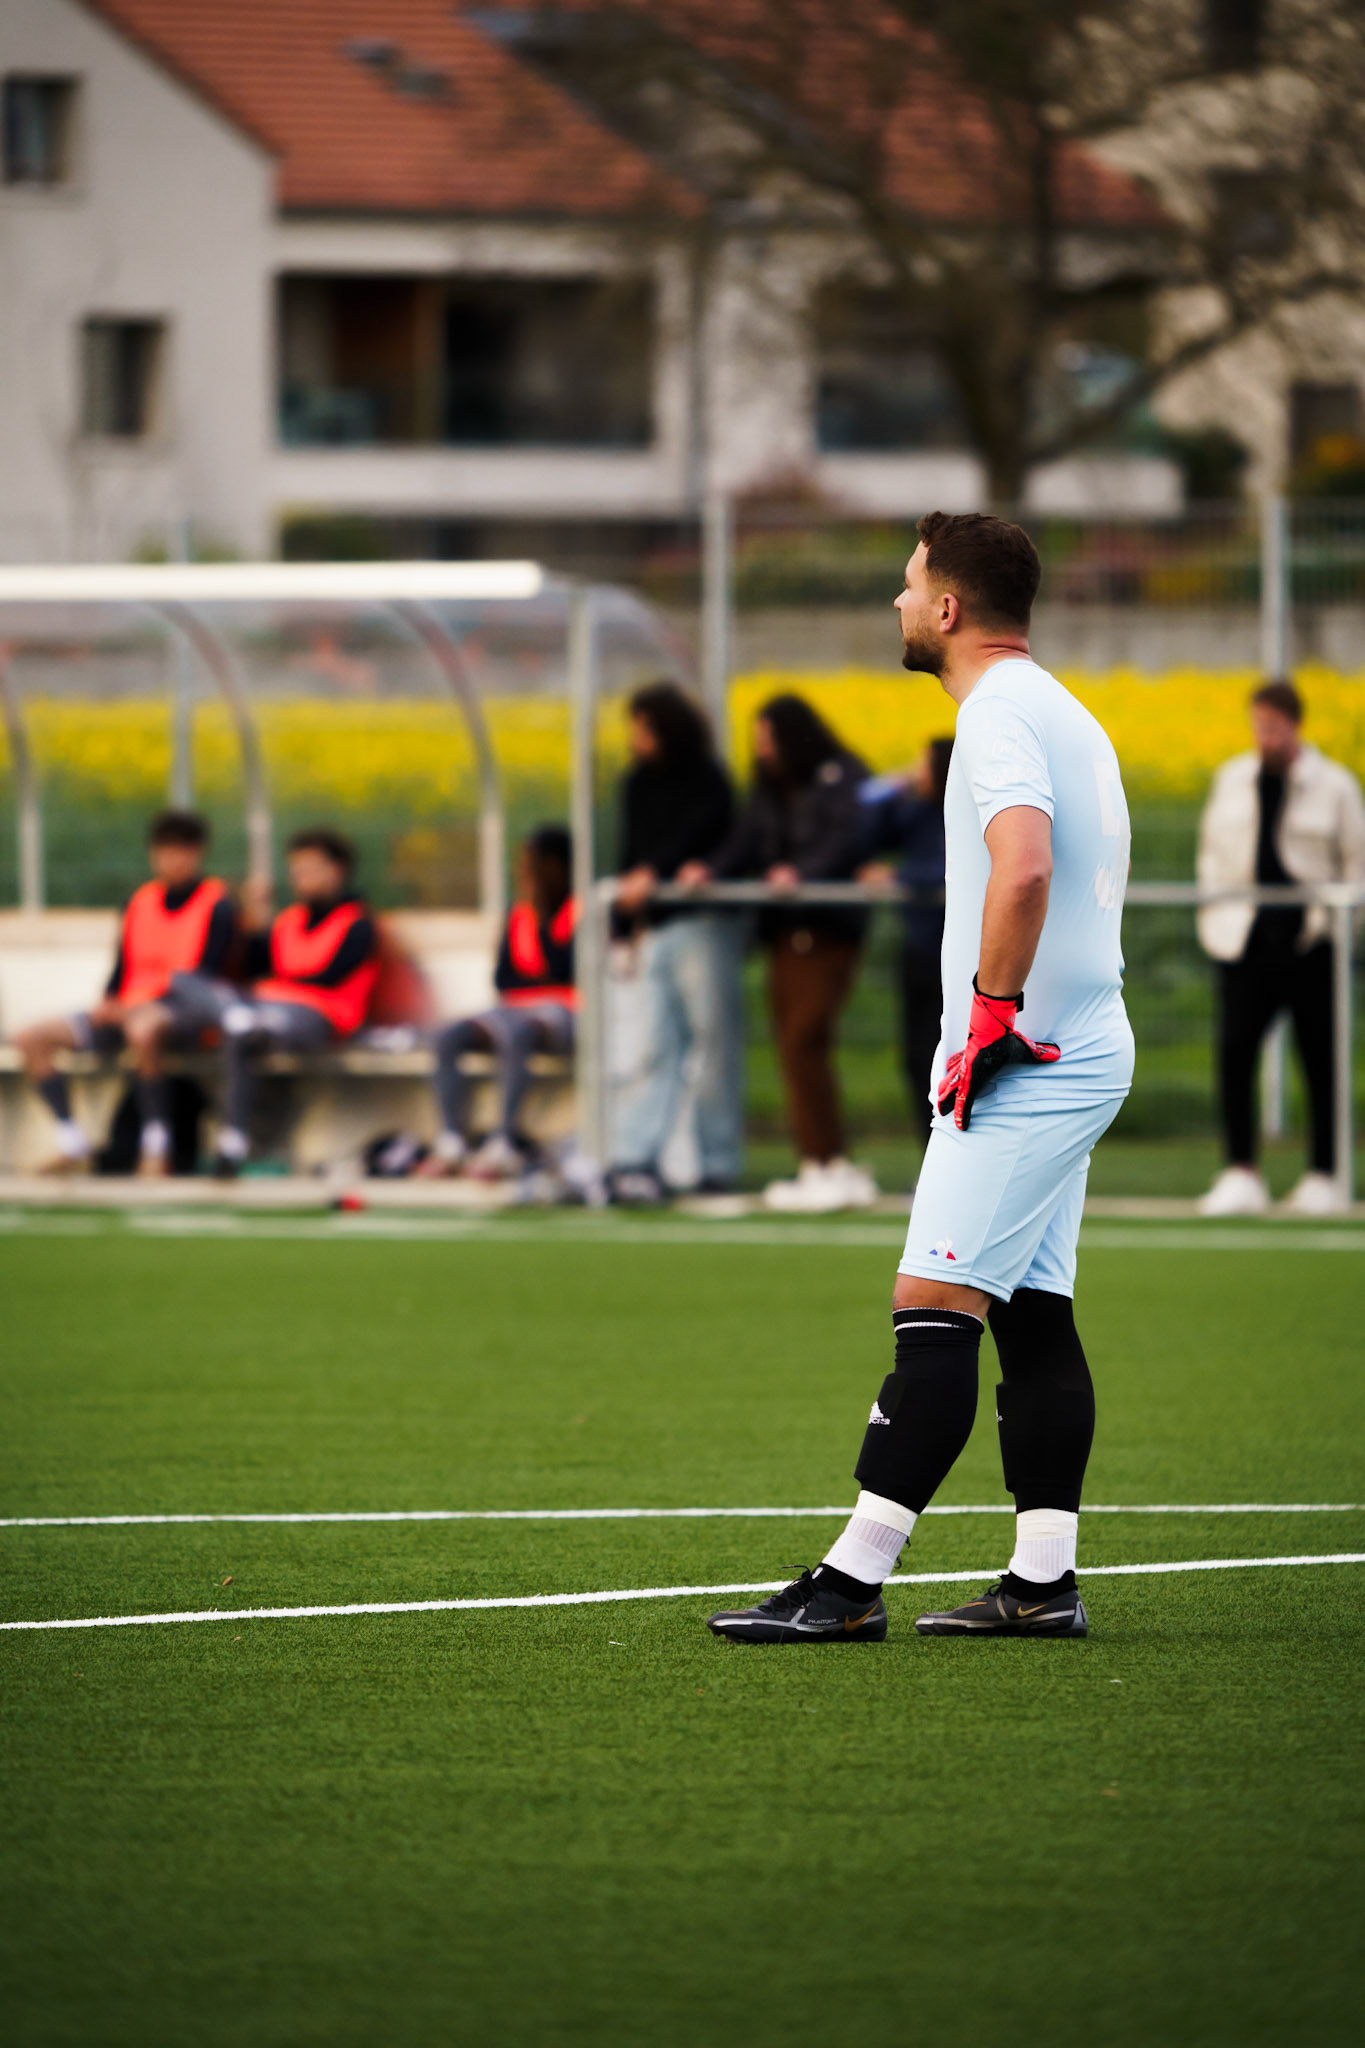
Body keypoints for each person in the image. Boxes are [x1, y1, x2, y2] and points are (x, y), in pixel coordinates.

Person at [709, 508, 1133, 1645]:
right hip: (1080, 1044)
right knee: (1033, 1312)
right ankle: (1042, 1581)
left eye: (908, 586)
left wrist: (989, 1012)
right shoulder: (1061, 707)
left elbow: (1025, 866)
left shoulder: (995, 712)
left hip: (1028, 1058)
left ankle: (848, 1584)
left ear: (949, 608)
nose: (897, 604)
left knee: (932, 1305)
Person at [682, 694, 875, 1213]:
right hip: (783, 934)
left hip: (828, 930)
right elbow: (746, 843)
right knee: (793, 1048)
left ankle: (827, 1159)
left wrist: (804, 874)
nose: (762, 750)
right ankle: (820, 1160)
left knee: (803, 1038)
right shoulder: (770, 791)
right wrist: (711, 869)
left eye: (768, 739)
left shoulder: (842, 778)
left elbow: (850, 840)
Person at [1196, 679, 1365, 1217]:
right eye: (1257, 724)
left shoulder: (1335, 785)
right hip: (1244, 940)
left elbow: (1356, 860)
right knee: (1234, 1052)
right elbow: (1212, 856)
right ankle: (1241, 1171)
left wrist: (1339, 929)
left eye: (1273, 725)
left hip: (1311, 941)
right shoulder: (1231, 779)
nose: (1263, 736)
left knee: (1321, 1058)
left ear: (1295, 725)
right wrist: (1215, 917)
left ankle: (1324, 1174)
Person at [16, 808, 234, 1176]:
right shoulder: (140, 901)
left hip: (182, 1014)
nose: (172, 860)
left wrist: (141, 1005)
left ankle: (155, 1147)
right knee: (31, 1037)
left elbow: (205, 976)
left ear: (198, 853)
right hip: (128, 1008)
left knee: (143, 1029)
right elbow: (122, 965)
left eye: (182, 850)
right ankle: (72, 1141)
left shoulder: (217, 902)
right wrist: (109, 1001)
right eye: (164, 850)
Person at [166, 827, 379, 1175]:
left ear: (337, 870)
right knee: (188, 985)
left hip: (317, 1019)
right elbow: (249, 965)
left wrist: (270, 988)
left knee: (243, 1025)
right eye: (296, 870)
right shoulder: (288, 921)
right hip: (263, 1013)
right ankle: (233, 1141)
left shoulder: (358, 923)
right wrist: (253, 913)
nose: (301, 878)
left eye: (310, 869)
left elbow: (328, 977)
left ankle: (237, 1017)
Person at [609, 682, 741, 1203]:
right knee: (653, 1046)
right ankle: (635, 1157)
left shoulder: (708, 779)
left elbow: (701, 835)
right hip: (658, 928)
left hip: (703, 925)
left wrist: (656, 873)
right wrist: (624, 929)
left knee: (712, 1045)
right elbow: (631, 851)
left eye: (641, 727)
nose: (635, 738)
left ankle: (717, 1160)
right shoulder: (636, 782)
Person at [418, 826, 577, 1181]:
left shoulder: (580, 912)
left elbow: (569, 970)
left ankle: (503, 1141)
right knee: (449, 1035)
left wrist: (543, 924)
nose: (523, 874)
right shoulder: (518, 914)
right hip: (514, 1006)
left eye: (532, 865)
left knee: (518, 1032)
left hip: (565, 1010)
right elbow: (505, 977)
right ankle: (451, 1140)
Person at [857, 736, 953, 1145]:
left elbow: (949, 867)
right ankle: (929, 1155)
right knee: (917, 1059)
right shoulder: (917, 814)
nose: (918, 772)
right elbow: (863, 823)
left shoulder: (965, 815)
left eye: (925, 764)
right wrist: (894, 787)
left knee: (949, 1058)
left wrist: (899, 878)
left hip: (953, 957)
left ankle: (953, 1152)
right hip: (918, 953)